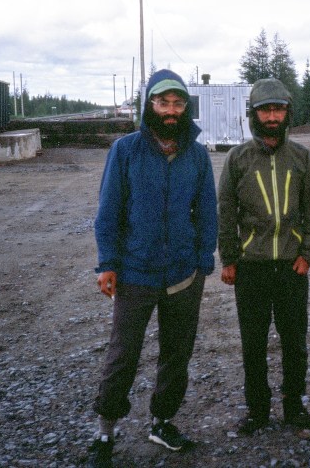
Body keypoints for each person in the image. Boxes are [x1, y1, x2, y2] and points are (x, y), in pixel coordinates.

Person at [87, 69, 218, 468]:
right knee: (123, 354)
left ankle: (163, 421)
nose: (171, 110)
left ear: (186, 108)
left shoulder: (197, 155)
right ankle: (105, 431)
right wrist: (108, 263)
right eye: (163, 103)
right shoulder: (125, 150)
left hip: (183, 274)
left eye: (178, 103)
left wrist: (203, 259)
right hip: (135, 273)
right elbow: (108, 212)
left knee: (176, 354)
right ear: (150, 106)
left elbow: (207, 212)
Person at [217, 78, 310, 435]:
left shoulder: (301, 157)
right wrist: (229, 259)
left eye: (278, 109)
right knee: (253, 343)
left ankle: (294, 406)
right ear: (254, 114)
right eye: (265, 110)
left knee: (295, 342)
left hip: (292, 267)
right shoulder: (237, 158)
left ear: (287, 113)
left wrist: (308, 254)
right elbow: (225, 212)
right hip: (251, 268)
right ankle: (257, 410)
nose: (272, 117)